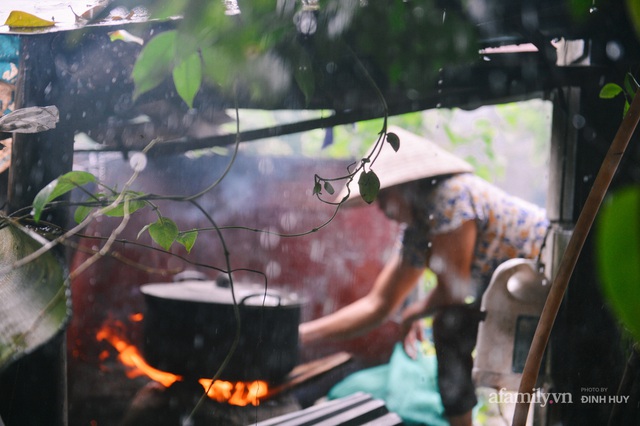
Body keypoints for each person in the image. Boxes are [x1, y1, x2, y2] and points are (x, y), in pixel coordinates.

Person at [298, 126, 549, 426]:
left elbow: (455, 290)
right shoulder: (417, 228)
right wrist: (301, 336)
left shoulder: (450, 196)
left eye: (384, 196)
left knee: (448, 325)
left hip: (543, 275)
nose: (381, 209)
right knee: (447, 325)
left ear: (407, 188)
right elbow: (378, 304)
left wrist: (414, 312)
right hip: (504, 290)